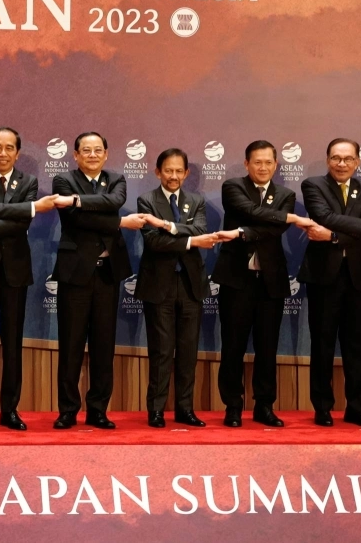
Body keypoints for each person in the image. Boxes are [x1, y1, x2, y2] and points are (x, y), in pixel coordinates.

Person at [0, 127, 68, 431]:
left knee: (12, 344)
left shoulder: (29, 181)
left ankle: (10, 411)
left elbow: (19, 225)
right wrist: (31, 207)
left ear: (17, 153)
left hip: (16, 270)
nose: (3, 153)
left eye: (9, 148)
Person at [213, 140, 311, 428]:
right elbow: (250, 211)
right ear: (247, 164)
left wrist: (242, 232)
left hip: (271, 279)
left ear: (276, 165)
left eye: (269, 162)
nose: (263, 167)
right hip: (236, 279)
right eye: (258, 162)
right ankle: (233, 406)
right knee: (233, 345)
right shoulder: (233, 187)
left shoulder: (286, 193)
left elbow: (273, 229)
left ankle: (264, 406)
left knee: (267, 347)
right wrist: (286, 218)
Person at [51, 132, 144, 430]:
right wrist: (117, 221)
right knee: (71, 344)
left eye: (97, 150)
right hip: (74, 272)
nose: (92, 155)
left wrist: (78, 202)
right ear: (75, 155)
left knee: (104, 345)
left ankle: (98, 410)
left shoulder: (116, 180)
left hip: (108, 272)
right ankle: (68, 410)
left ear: (106, 154)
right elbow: (75, 220)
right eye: (85, 150)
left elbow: (115, 200)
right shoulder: (62, 181)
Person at [298, 138, 361, 427]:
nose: (342, 163)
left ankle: (356, 408)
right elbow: (324, 216)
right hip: (323, 277)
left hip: (357, 278)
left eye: (348, 158)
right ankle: (322, 407)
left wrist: (333, 235)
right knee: (321, 344)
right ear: (327, 160)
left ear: (358, 162)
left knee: (356, 346)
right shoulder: (313, 185)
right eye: (336, 158)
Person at [135, 148, 220, 428]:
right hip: (158, 285)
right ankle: (156, 410)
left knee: (187, 351)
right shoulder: (146, 200)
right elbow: (153, 242)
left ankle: (185, 409)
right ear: (157, 171)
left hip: (190, 285)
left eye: (178, 171)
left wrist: (170, 228)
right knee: (161, 351)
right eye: (167, 171)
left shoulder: (196, 200)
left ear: (186, 173)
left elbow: (201, 230)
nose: (173, 176)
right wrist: (190, 240)